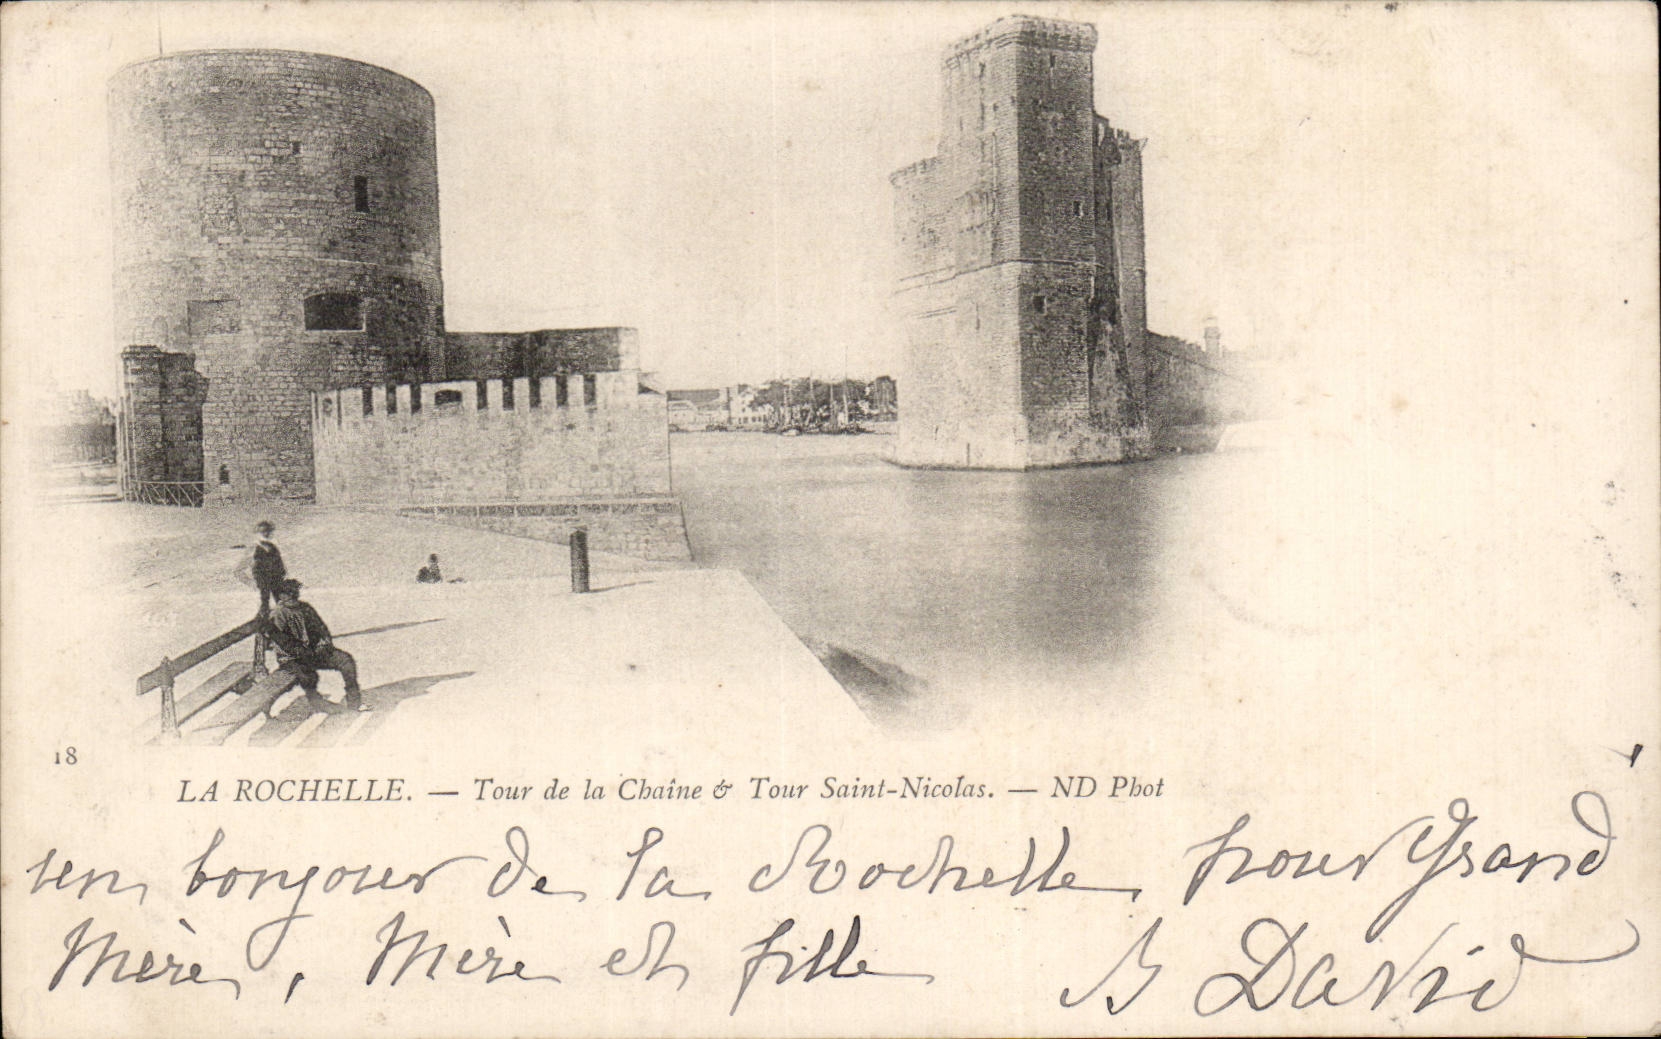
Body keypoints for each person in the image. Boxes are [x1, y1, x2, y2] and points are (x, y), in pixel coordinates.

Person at [264, 579, 369, 712]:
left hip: (315, 652)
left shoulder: (305, 608)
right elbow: (283, 642)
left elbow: (321, 628)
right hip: (292, 659)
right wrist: (303, 653)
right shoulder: (278, 614)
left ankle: (354, 703)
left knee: (345, 661)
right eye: (287, 593)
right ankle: (316, 703)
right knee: (308, 676)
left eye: (294, 592)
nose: (292, 596)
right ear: (280, 596)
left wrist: (323, 643)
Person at [237, 520, 287, 616]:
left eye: (268, 531)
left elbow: (282, 568)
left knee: (282, 610)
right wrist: (251, 582)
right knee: (264, 610)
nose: (266, 533)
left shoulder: (274, 548)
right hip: (262, 589)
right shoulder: (253, 549)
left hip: (277, 587)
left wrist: (282, 577)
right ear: (257, 533)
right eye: (263, 531)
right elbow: (238, 570)